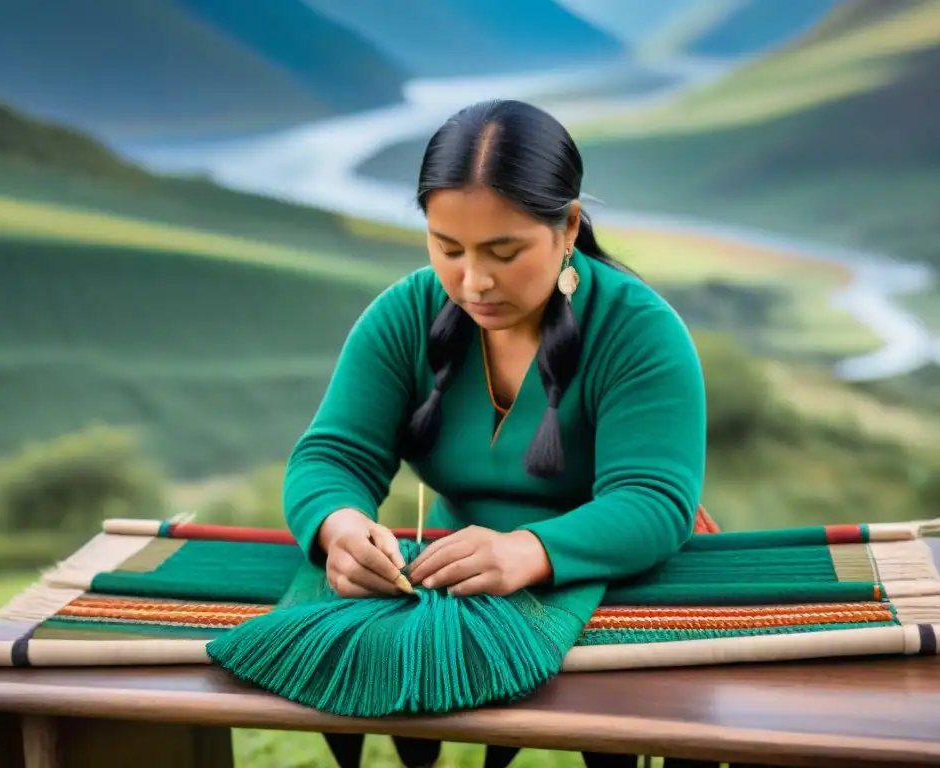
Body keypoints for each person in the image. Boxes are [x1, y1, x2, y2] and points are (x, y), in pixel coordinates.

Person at [282, 99, 767, 768]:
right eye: (447, 248)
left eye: (503, 252)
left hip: (626, 580)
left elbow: (654, 503)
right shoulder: (404, 315)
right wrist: (339, 527)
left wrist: (528, 551)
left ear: (567, 226)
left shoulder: (639, 331)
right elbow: (331, 456)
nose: (472, 282)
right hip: (467, 577)